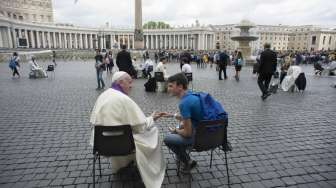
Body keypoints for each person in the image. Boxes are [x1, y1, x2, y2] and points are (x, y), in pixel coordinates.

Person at [90, 71, 167, 188]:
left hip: (101, 145)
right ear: (120, 82)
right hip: (125, 145)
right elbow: (140, 126)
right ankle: (153, 167)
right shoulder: (124, 99)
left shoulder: (103, 95)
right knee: (153, 132)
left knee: (124, 135)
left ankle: (124, 165)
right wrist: (152, 118)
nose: (131, 86)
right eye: (129, 82)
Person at [163, 73, 203, 172]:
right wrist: (173, 115)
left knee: (167, 138)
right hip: (209, 135)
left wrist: (176, 131)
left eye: (171, 86)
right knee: (179, 127)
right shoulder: (192, 95)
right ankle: (181, 154)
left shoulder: (184, 103)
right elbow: (190, 118)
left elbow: (188, 133)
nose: (168, 89)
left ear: (180, 86)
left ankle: (187, 161)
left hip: (198, 139)